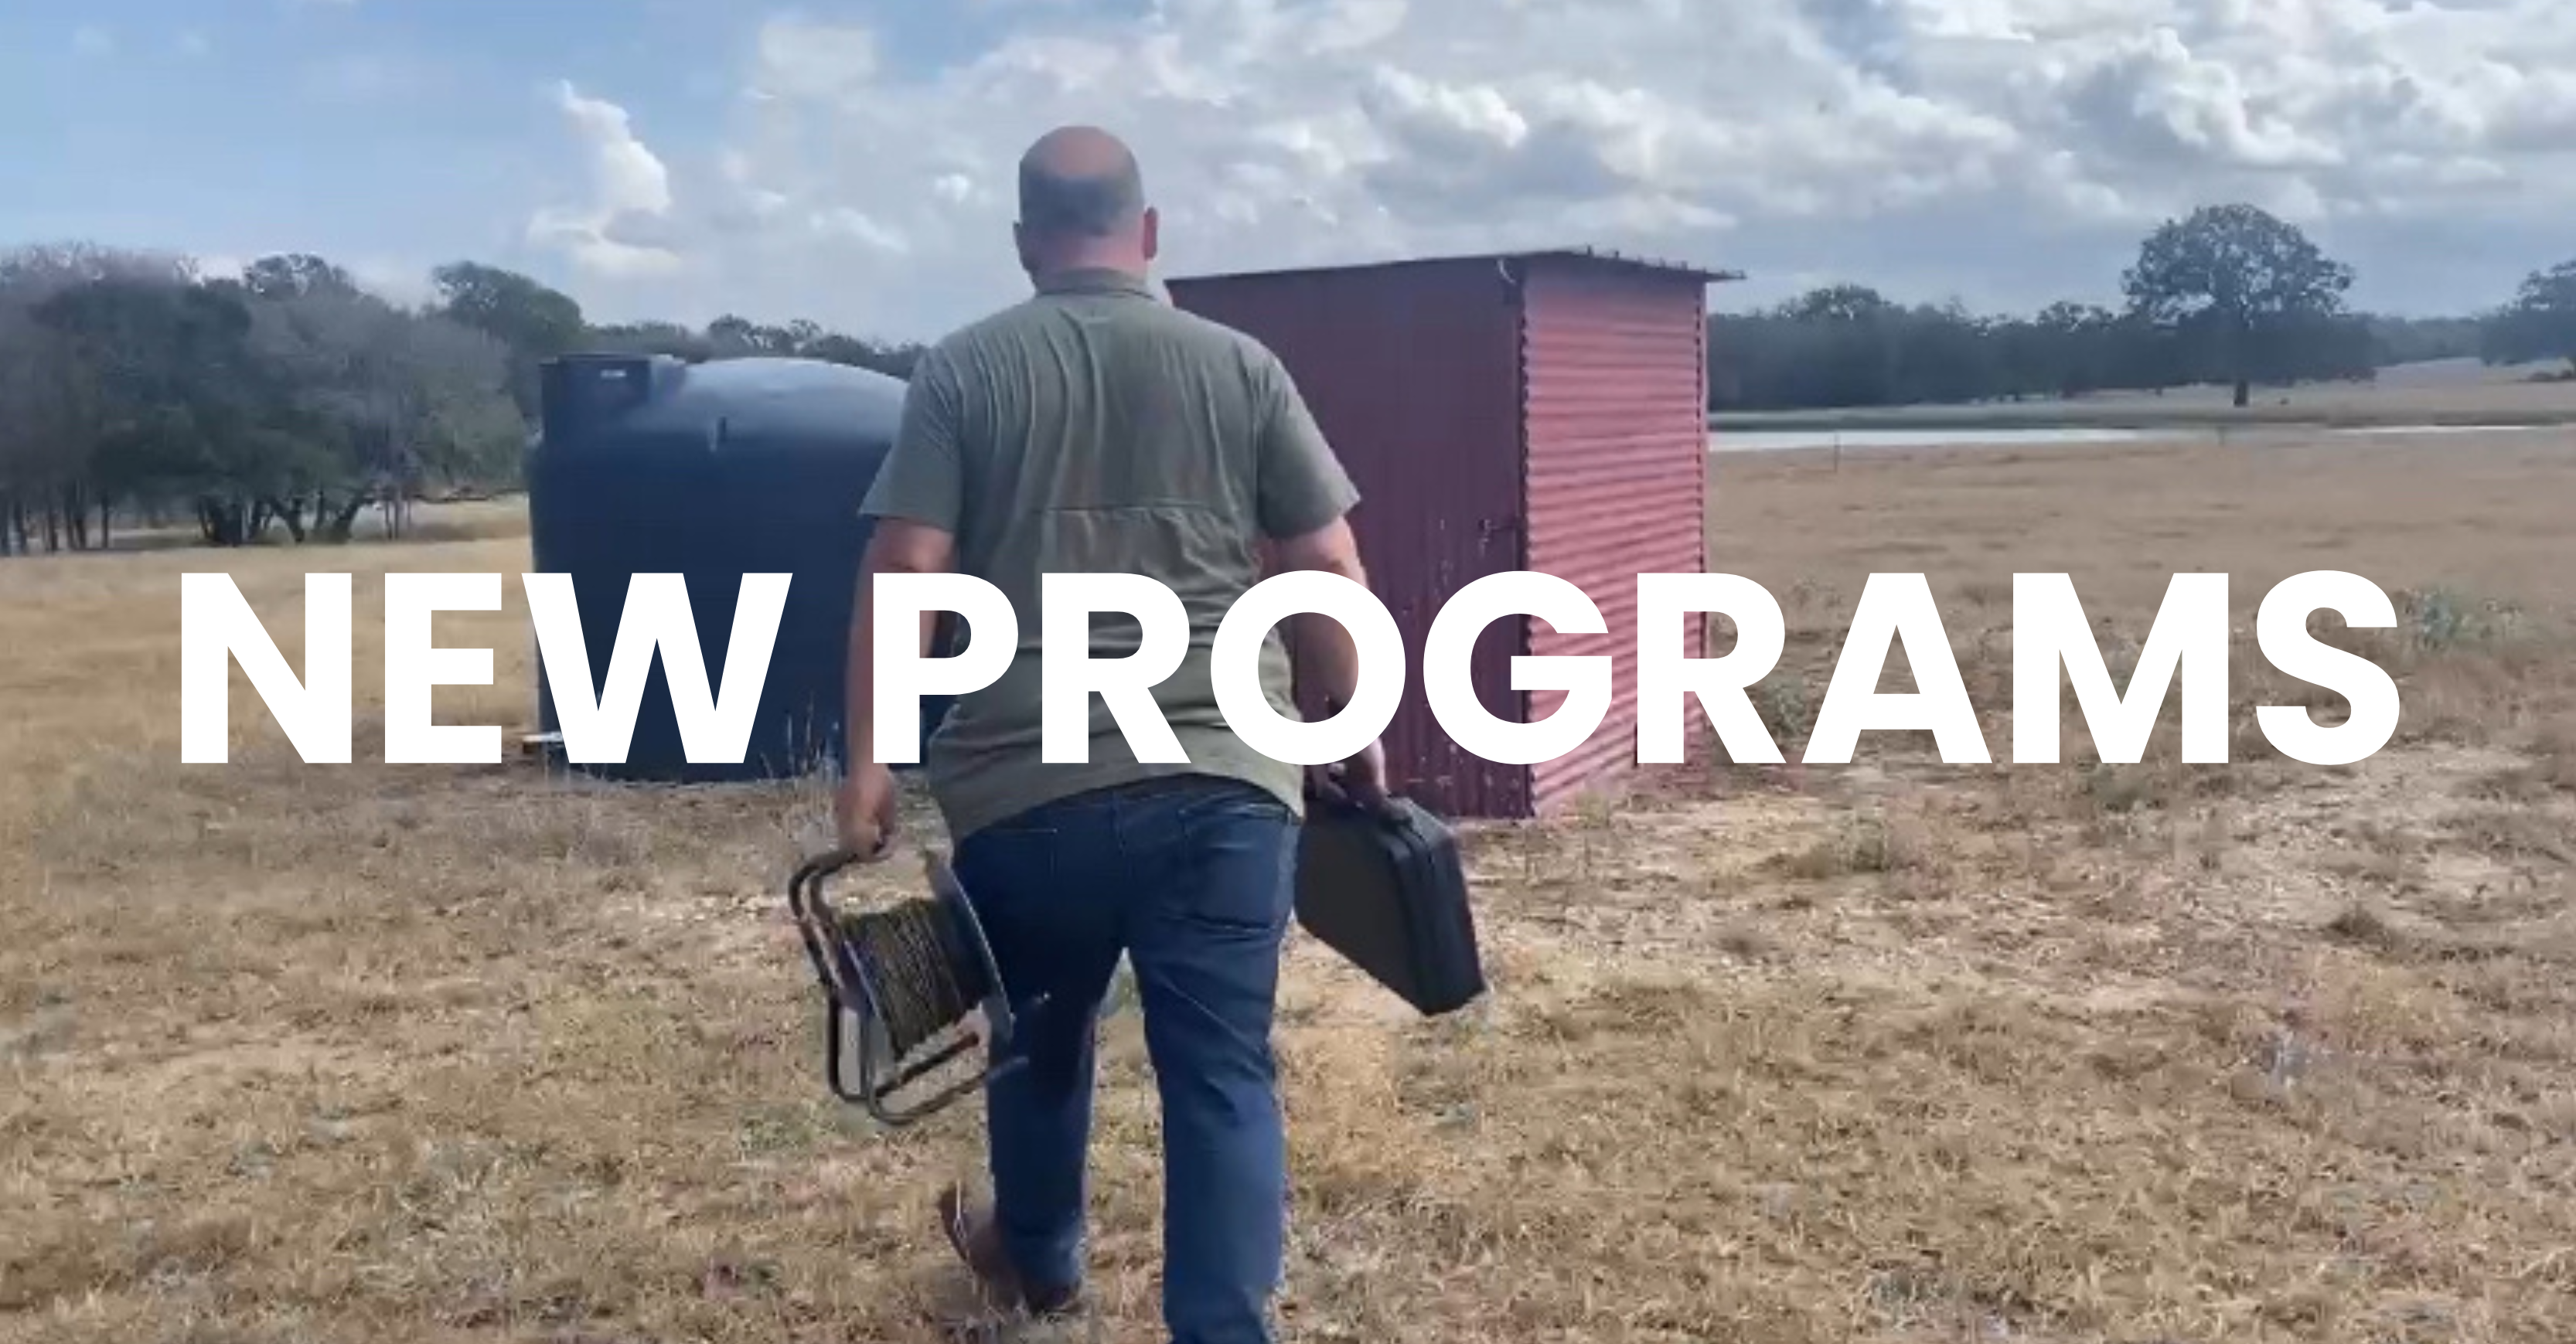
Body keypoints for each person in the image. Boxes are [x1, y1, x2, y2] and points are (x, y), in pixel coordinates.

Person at [834, 125, 1386, 1344]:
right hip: (1222, 781)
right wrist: (1346, 720)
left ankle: (1038, 1261)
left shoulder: (964, 372)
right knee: (1223, 1077)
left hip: (1026, 794)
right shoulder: (1239, 365)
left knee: (1037, 1039)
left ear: (1027, 244)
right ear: (1148, 235)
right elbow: (1323, 558)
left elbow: (908, 566)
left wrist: (868, 758)